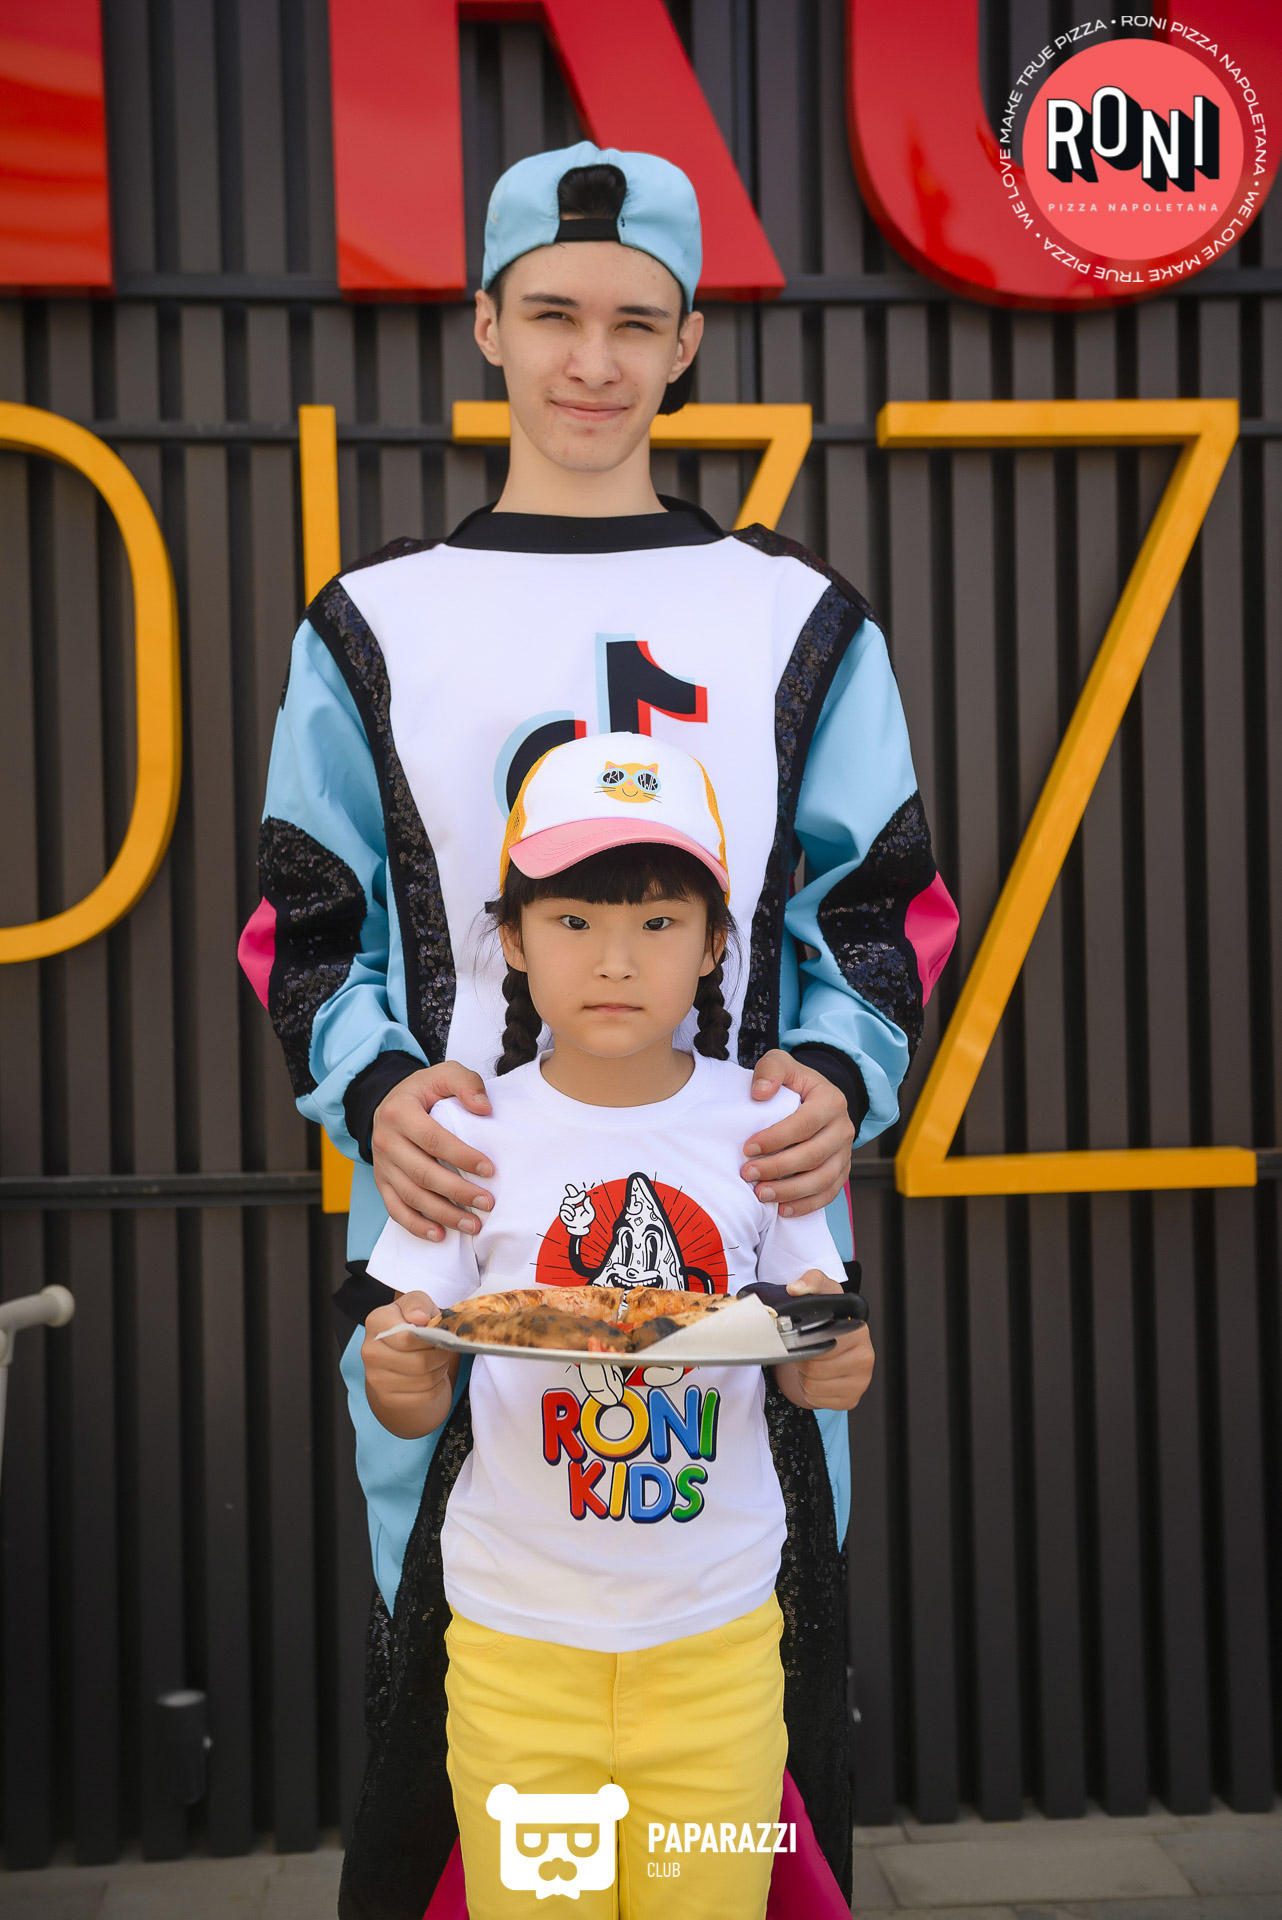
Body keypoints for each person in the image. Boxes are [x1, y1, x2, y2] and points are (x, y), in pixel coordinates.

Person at [239, 140, 957, 1913]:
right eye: (551, 312)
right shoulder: (370, 623)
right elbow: (298, 924)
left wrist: (842, 1076)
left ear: (688, 342)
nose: (591, 359)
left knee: (741, 1698)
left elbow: (883, 911)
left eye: (636, 322)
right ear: (484, 323)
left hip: (742, 1238)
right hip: (456, 1236)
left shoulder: (797, 619)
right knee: (468, 1713)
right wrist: (375, 1084)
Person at [361, 732, 875, 1920]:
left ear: (714, 946)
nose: (614, 959)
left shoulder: (764, 1123)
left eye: (657, 922)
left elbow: (816, 1359)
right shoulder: (466, 1136)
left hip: (719, 1640)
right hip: (513, 1643)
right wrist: (400, 1369)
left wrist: (839, 1359)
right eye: (573, 919)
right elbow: (413, 1384)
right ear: (513, 940)